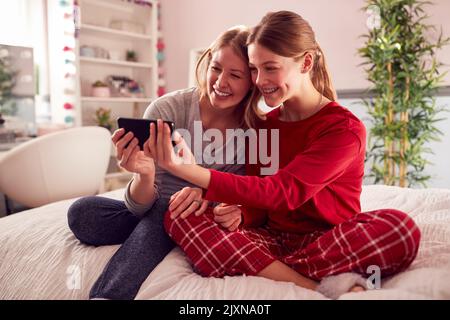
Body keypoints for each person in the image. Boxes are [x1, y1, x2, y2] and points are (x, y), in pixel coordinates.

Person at [150, 11, 421, 299]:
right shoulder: (263, 124)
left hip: (327, 239)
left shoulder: (344, 129)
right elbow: (259, 202)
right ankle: (314, 285)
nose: (259, 80)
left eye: (270, 68)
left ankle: (263, 268)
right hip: (270, 239)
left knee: (400, 230)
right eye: (254, 69)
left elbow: (283, 192)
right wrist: (240, 212)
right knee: (180, 216)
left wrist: (190, 171)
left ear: (306, 62)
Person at [67, 25, 254, 300]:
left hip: (199, 220)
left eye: (235, 75)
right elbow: (142, 206)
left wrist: (210, 196)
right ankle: (168, 236)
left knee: (167, 214)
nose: (219, 82)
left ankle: (109, 295)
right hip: (154, 210)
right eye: (216, 68)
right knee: (82, 213)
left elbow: (241, 196)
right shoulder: (167, 109)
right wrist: (142, 176)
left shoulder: (252, 131)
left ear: (253, 81)